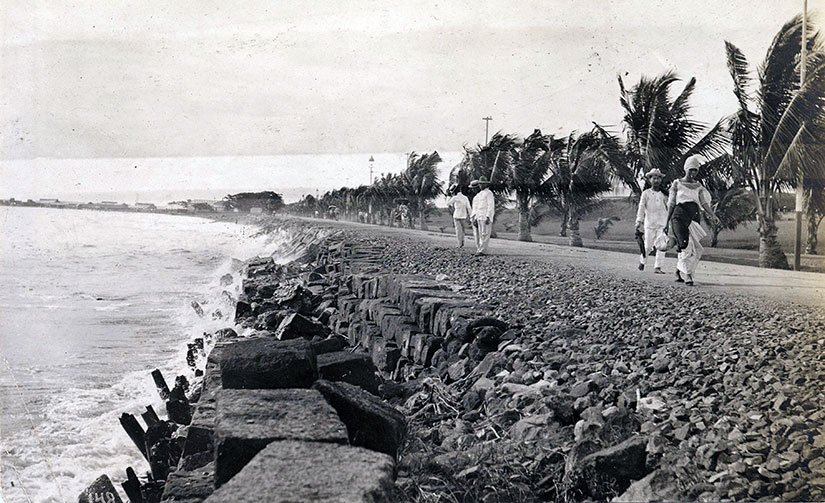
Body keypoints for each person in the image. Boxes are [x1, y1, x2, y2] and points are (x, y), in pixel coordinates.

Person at [664, 155, 718, 286]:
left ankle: (678, 271)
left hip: (693, 217)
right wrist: (666, 222)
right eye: (691, 169)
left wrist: (712, 215)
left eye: (696, 170)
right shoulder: (677, 183)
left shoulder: (699, 186)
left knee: (695, 247)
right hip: (679, 215)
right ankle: (688, 275)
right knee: (684, 244)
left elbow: (704, 203)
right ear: (686, 169)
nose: (693, 173)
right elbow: (671, 203)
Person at [635, 168, 668, 273]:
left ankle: (658, 267)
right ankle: (643, 261)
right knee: (648, 246)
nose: (656, 180)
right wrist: (639, 221)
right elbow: (641, 207)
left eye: (658, 178)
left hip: (662, 223)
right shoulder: (646, 193)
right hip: (649, 223)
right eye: (654, 178)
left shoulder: (664, 194)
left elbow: (669, 207)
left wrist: (668, 222)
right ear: (650, 180)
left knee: (661, 245)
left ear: (661, 180)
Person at [470, 176, 495, 255]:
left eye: (482, 184)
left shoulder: (489, 193)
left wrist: (488, 216)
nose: (481, 185)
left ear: (485, 185)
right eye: (480, 184)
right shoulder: (479, 194)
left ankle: (483, 250)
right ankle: (480, 249)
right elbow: (477, 208)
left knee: (485, 234)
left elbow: (490, 205)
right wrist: (475, 217)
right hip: (479, 216)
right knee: (481, 234)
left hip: (485, 216)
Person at [446, 183, 472, 248]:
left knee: (458, 230)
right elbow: (469, 208)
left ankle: (459, 243)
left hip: (457, 215)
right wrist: (471, 216)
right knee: (462, 230)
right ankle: (462, 241)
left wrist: (448, 196)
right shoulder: (465, 198)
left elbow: (448, 203)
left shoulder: (455, 197)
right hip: (463, 215)